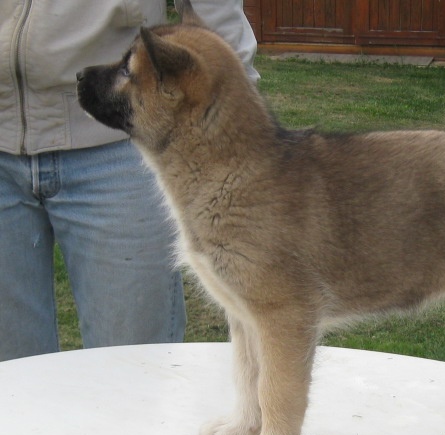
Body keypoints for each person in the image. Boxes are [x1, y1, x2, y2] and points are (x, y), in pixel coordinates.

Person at [0, 0, 259, 361]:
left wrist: (235, 113)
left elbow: (216, 11)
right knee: (12, 376)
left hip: (125, 140)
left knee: (133, 365)